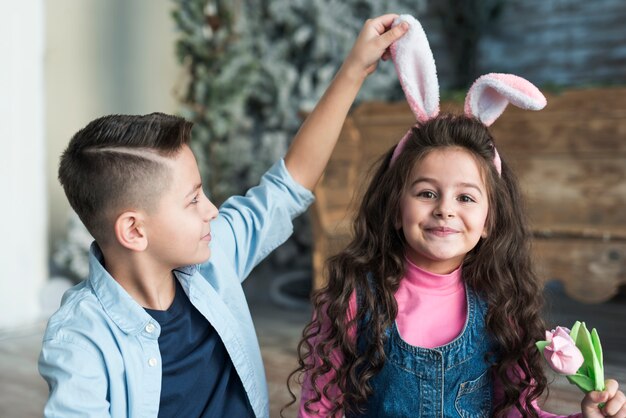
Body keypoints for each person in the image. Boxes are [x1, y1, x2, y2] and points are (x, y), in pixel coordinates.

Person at [38, 14, 409, 418]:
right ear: (134, 230)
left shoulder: (213, 254)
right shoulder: (79, 338)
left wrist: (355, 69)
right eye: (193, 200)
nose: (212, 210)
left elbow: (289, 185)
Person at [287, 16, 626, 417]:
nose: (445, 208)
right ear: (395, 209)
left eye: (466, 197)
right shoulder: (356, 299)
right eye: (427, 192)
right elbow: (319, 407)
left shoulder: (502, 306)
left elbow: (517, 412)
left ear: (490, 221)